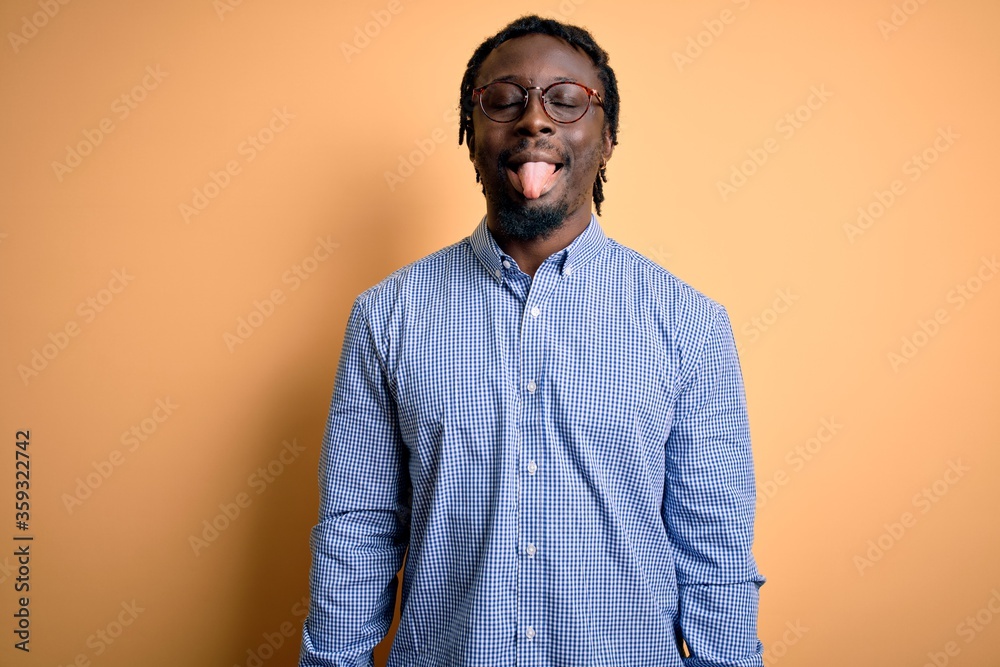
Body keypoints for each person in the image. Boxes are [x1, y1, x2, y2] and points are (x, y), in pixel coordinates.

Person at [300, 14, 765, 667]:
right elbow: (358, 530)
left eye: (566, 100)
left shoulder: (689, 324)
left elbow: (713, 546)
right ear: (470, 133)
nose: (534, 121)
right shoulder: (386, 317)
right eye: (504, 100)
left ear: (607, 138)